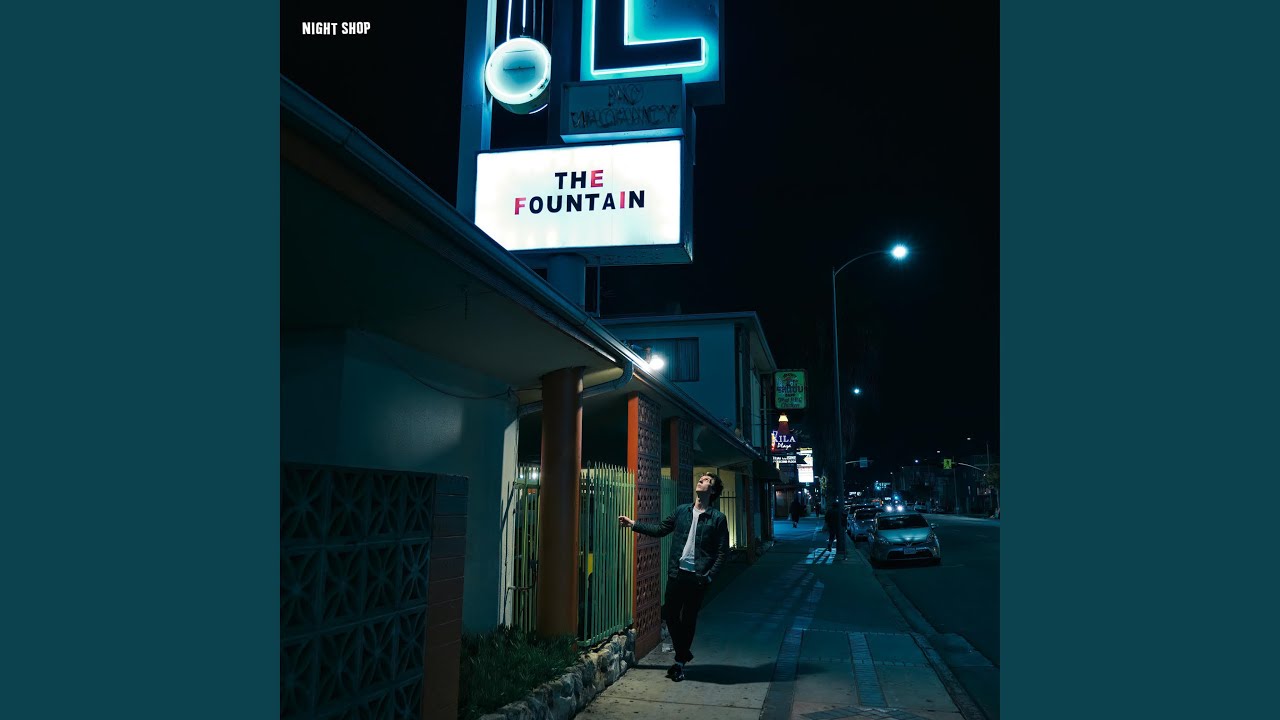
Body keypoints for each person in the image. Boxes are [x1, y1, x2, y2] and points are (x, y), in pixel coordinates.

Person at [618, 472, 729, 682]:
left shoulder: (717, 518)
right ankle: (683, 654)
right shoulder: (682, 511)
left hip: (698, 578)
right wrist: (634, 524)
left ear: (713, 491)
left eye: (707, 480)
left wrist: (709, 577)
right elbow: (661, 529)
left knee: (688, 619)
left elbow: (722, 552)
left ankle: (679, 663)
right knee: (670, 614)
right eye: (702, 478)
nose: (701, 480)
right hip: (677, 573)